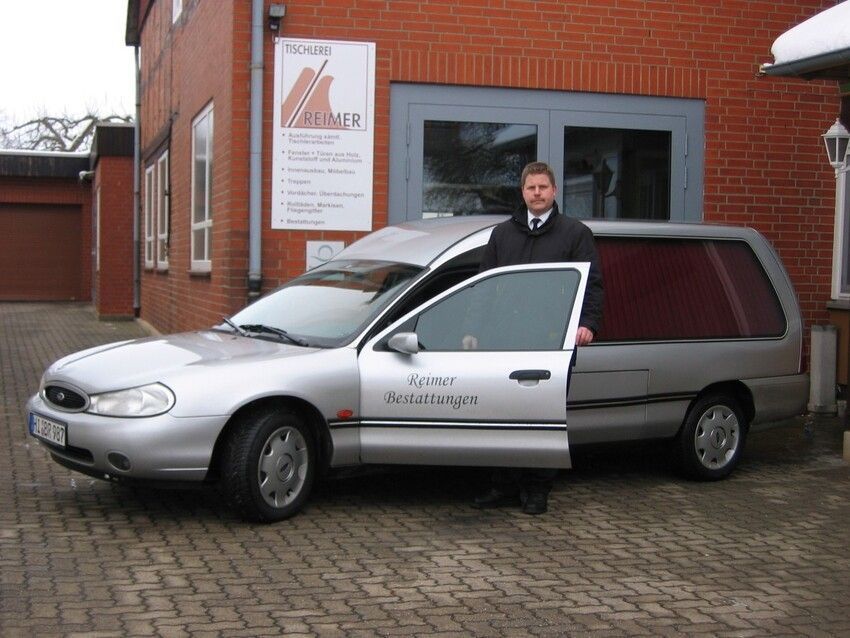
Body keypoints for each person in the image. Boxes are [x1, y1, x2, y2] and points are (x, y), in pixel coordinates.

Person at [467, 160, 604, 515]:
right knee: (501, 413)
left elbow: (592, 285)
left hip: (552, 340)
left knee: (544, 415)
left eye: (543, 187)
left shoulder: (575, 234)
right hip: (505, 339)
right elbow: (483, 287)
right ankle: (502, 483)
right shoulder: (503, 235)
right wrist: (472, 330)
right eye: (531, 188)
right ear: (523, 192)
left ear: (554, 191)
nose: (538, 193)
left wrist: (587, 323)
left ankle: (537, 488)